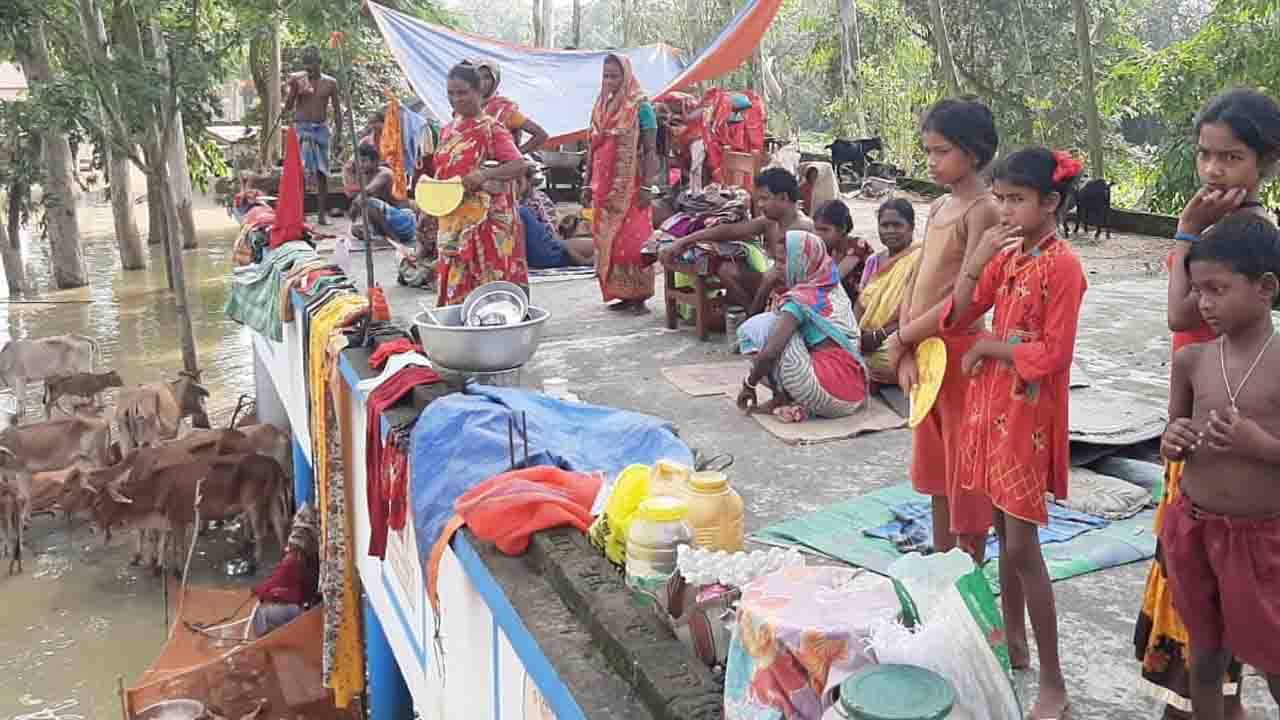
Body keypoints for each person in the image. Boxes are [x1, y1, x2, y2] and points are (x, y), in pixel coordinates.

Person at [1138, 88, 1280, 720]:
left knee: (1256, 635)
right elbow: (1183, 330)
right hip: (1200, 432)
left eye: (1233, 157)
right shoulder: (1191, 357)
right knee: (1206, 633)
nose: (1216, 170)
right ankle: (1206, 705)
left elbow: (1178, 312)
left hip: (1248, 475)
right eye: (1206, 156)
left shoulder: (1251, 236)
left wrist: (1186, 234)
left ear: (1266, 163)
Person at [941, 147, 1085, 720]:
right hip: (992, 406)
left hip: (1025, 413)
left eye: (1016, 200)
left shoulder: (1063, 264)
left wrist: (989, 347)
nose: (1004, 209)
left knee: (1023, 545)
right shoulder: (1010, 253)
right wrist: (976, 258)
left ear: (1050, 202)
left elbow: (1054, 353)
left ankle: (1055, 684)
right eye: (1000, 198)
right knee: (1003, 530)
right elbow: (958, 312)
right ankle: (1016, 643)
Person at [1160, 214, 1280, 720]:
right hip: (1195, 528)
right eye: (1197, 290)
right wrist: (1174, 441)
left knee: (1275, 661)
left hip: (1263, 541)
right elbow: (1172, 435)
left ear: (1265, 288)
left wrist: (1262, 445)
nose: (1203, 303)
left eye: (1217, 289)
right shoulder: (1194, 362)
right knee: (1205, 655)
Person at [888, 98, 1001, 558]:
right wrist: (906, 343)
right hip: (925, 351)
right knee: (936, 468)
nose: (931, 161)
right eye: (928, 151)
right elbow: (918, 276)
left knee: (965, 468)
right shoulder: (937, 206)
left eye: (941, 151)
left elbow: (968, 299)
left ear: (971, 153)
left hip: (960, 357)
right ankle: (941, 562)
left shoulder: (984, 210)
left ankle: (968, 563)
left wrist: (903, 337)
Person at [736, 231, 867, 423]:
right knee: (784, 326)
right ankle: (791, 398)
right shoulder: (831, 284)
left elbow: (770, 354)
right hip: (854, 397)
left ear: (801, 262)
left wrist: (749, 384)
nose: (776, 268)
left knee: (760, 327)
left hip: (822, 394)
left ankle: (780, 397)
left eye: (782, 262)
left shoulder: (799, 301)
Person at [431, 63, 530, 306]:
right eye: (451, 93)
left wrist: (484, 175)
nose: (456, 99)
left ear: (478, 92)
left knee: (486, 283)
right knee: (455, 279)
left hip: (485, 220)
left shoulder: (490, 128)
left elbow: (519, 165)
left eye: (462, 93)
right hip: (451, 217)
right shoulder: (447, 130)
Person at [662, 168, 813, 310]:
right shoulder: (771, 220)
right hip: (774, 286)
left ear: (783, 197)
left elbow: (776, 277)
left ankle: (754, 315)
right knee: (727, 270)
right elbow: (729, 231)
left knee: (731, 312)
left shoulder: (801, 228)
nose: (759, 205)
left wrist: (754, 312)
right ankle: (752, 314)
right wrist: (683, 241)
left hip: (797, 296)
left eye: (764, 198)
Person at [584, 54, 660, 312]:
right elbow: (591, 148)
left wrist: (648, 186)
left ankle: (639, 296)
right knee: (610, 242)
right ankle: (622, 292)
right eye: (605, 76)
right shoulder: (600, 106)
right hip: (602, 188)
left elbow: (651, 150)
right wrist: (586, 184)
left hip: (633, 187)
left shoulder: (641, 107)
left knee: (633, 243)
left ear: (626, 76)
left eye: (614, 75)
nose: (609, 81)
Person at [855, 199, 920, 385]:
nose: (890, 231)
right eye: (885, 225)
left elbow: (917, 309)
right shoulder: (873, 261)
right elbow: (861, 301)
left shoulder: (919, 258)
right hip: (866, 338)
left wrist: (877, 336)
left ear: (911, 227)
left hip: (901, 337)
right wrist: (855, 336)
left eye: (897, 225)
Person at [285, 47, 342, 226]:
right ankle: (299, 214)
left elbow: (338, 112)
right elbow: (288, 107)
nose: (309, 69)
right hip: (302, 129)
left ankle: (321, 215)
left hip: (321, 130)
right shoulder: (299, 81)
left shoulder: (330, 83)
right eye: (306, 66)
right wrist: (294, 89)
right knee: (301, 171)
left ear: (319, 63)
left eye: (312, 66)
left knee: (322, 172)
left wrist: (338, 135)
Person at [251, 503, 320, 638]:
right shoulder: (311, 559)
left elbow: (277, 586)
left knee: (262, 614)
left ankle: (268, 642)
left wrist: (257, 590)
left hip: (300, 610)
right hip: (307, 607)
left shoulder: (292, 560)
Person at [518, 164, 595, 268]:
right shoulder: (525, 207)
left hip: (551, 251)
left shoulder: (534, 201)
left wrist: (566, 247)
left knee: (522, 212)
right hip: (551, 250)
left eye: (518, 182)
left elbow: (584, 262)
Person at [473, 60, 549, 155]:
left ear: (495, 82)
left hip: (501, 167)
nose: (482, 82)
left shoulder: (505, 109)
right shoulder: (467, 108)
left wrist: (516, 155)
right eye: (478, 77)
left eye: (487, 77)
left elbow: (541, 135)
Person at [348, 144, 417, 248]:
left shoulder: (384, 174)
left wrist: (354, 206)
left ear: (375, 161)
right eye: (358, 161)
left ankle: (394, 240)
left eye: (363, 161)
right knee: (355, 230)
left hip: (404, 221)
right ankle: (382, 235)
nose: (360, 165)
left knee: (367, 202)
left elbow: (366, 193)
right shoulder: (366, 175)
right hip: (391, 220)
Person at [812, 199, 874, 303]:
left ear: (842, 228)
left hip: (862, 303)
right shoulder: (827, 248)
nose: (818, 234)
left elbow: (833, 278)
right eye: (816, 229)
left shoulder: (858, 246)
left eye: (824, 230)